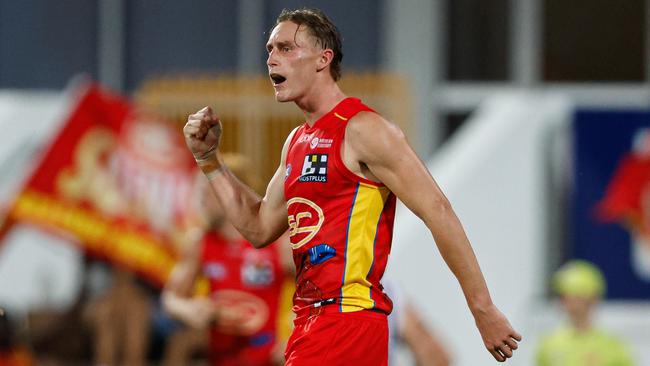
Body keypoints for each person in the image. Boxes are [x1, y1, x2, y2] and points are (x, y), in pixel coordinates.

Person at [183, 7, 521, 364]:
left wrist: (483, 309)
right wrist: (209, 161)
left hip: (348, 319)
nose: (271, 59)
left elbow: (437, 211)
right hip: (310, 322)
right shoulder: (297, 141)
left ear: (322, 59)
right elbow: (258, 227)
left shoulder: (364, 130)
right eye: (269, 50)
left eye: (285, 48)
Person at [162, 153, 294, 366]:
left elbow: (320, 292)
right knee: (181, 342)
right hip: (219, 359)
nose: (201, 200)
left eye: (207, 192)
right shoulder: (200, 241)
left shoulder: (278, 242)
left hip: (269, 360)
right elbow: (171, 298)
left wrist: (294, 335)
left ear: (231, 192)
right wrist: (190, 310)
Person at [535, 260, 635, 366]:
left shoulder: (614, 346)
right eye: (564, 297)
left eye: (577, 297)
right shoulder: (549, 344)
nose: (569, 304)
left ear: (593, 300)